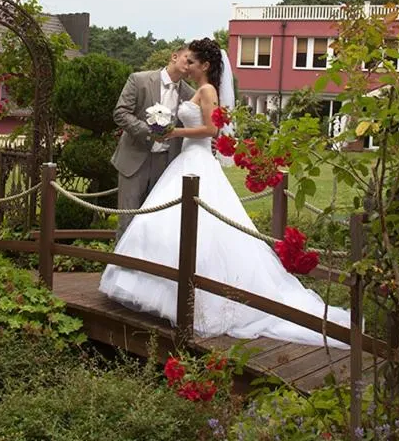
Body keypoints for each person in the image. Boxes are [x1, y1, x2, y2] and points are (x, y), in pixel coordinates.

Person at [99, 37, 351, 346]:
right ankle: (147, 286)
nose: (186, 66)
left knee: (198, 230)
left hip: (194, 160)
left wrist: (173, 130)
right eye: (186, 61)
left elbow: (213, 130)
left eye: (191, 62)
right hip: (181, 160)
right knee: (160, 226)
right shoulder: (187, 90)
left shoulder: (205, 91)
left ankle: (197, 299)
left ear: (204, 65)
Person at [111, 46, 195, 241]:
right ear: (174, 57)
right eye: (187, 60)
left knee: (156, 222)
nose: (190, 66)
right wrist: (150, 132)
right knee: (127, 221)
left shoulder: (190, 94)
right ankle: (121, 268)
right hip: (134, 159)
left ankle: (147, 270)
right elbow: (121, 113)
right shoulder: (139, 79)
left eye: (193, 63)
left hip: (166, 164)